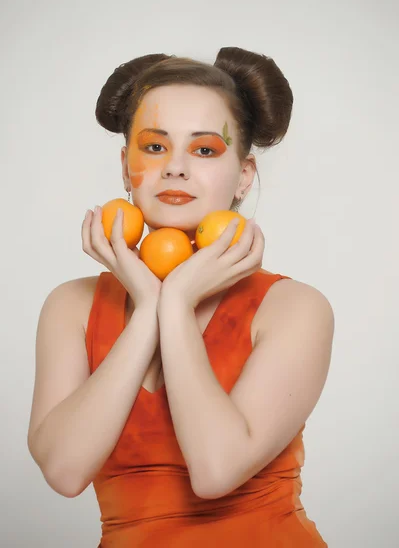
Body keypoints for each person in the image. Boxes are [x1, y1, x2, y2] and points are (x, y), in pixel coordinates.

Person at [27, 47, 334, 547]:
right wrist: (151, 306)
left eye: (205, 150)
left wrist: (175, 303)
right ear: (126, 169)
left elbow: (215, 471)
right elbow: (64, 471)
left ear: (244, 175)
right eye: (153, 147)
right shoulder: (71, 307)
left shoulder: (296, 309)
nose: (175, 168)